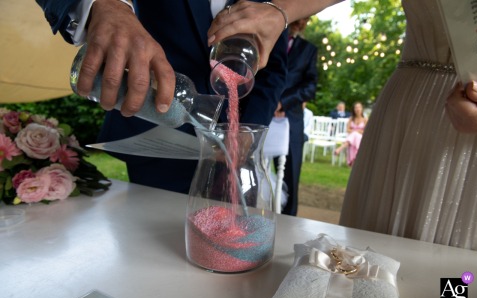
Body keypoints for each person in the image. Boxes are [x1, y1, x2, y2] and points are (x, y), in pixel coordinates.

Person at [36, 0, 289, 193]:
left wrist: (246, 134)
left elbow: (274, 67)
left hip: (236, 150)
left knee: (236, 239)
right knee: (154, 249)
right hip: (158, 130)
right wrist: (102, 5)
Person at [339, 0, 477, 251]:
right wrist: (278, 11)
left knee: (455, 280)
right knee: (371, 262)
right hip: (406, 109)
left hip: (471, 136)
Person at [274, 17, 318, 216]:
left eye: (306, 19)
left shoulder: (309, 50)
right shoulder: (271, 39)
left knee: (290, 176)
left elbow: (310, 87)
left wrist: (283, 102)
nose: (302, 22)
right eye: (300, 17)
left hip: (291, 119)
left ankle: (288, 221)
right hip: (262, 115)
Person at [334, 101, 368, 166]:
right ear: (354, 109)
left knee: (355, 136)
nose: (357, 109)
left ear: (362, 109)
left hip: (361, 138)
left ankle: (340, 148)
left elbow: (366, 131)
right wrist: (355, 132)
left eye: (359, 107)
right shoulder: (351, 118)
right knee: (354, 137)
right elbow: (347, 129)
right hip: (352, 138)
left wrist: (356, 132)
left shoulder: (365, 119)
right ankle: (354, 161)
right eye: (356, 108)